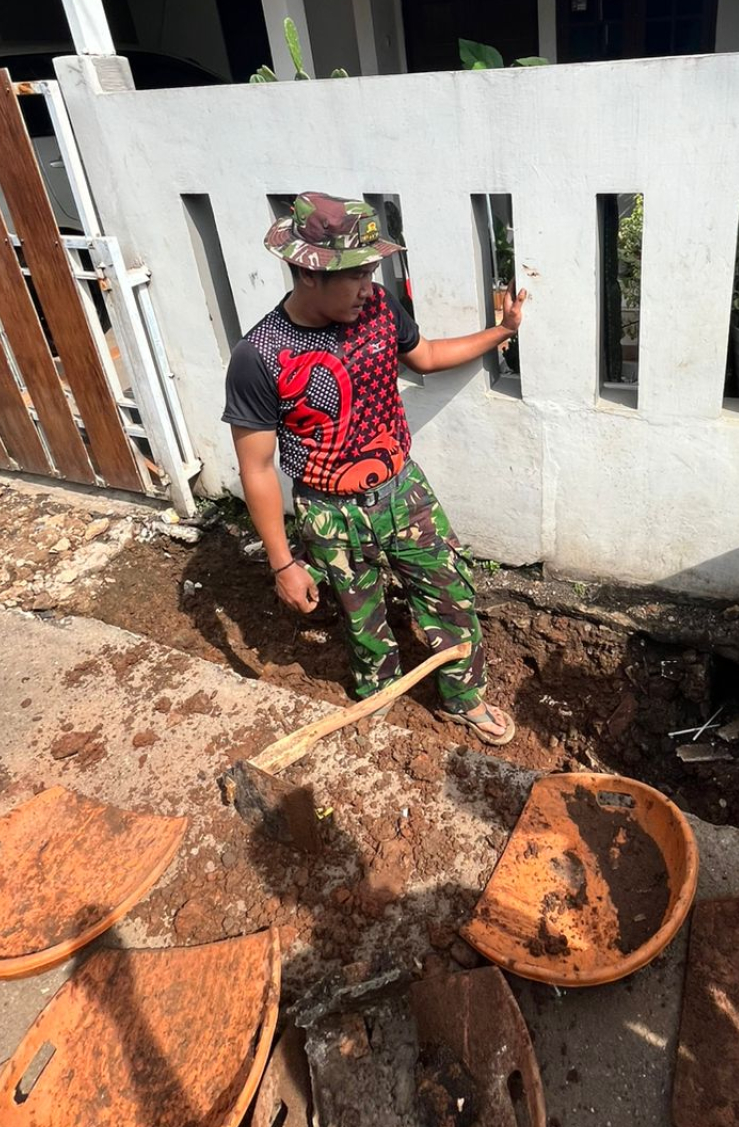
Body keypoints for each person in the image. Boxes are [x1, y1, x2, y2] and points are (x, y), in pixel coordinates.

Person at [223, 193, 524, 745]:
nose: (368, 285)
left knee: (450, 593)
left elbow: (427, 356)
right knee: (363, 621)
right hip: (328, 512)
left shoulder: (380, 307)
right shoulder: (259, 355)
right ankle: (379, 697)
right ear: (309, 272)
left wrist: (501, 333)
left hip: (402, 490)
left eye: (370, 271)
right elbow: (258, 468)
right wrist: (282, 563)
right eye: (356, 274)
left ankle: (463, 697)